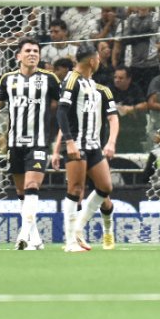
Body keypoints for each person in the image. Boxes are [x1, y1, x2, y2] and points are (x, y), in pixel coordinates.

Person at [0, 37, 61, 250]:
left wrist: (63, 136)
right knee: (21, 194)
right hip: (14, 143)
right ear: (19, 56)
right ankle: (35, 239)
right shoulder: (7, 79)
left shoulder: (49, 79)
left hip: (39, 143)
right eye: (28, 50)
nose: (32, 54)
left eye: (36, 50)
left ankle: (23, 235)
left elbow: (64, 107)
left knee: (32, 185)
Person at [52, 44, 119, 252]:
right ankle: (71, 242)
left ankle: (78, 227)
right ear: (92, 61)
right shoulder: (72, 80)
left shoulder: (92, 84)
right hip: (77, 143)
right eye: (98, 58)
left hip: (93, 145)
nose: (99, 62)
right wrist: (69, 142)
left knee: (105, 187)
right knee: (75, 190)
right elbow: (62, 113)